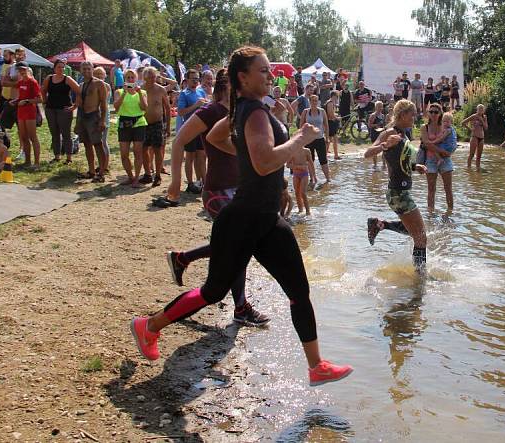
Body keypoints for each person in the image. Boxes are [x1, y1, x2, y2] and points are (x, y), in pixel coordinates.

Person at [130, 46, 353, 387]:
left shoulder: (245, 111)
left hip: (266, 219)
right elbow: (264, 162)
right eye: (262, 71)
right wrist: (299, 138)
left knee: (299, 290)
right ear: (242, 78)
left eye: (269, 70)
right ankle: (149, 326)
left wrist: (253, 152)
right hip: (243, 218)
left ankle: (316, 365)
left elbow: (218, 138)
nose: (269, 75)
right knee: (213, 291)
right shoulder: (253, 113)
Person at [156, 68, 271, 326]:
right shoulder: (210, 112)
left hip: (240, 189)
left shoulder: (245, 111)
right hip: (217, 191)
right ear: (228, 85)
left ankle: (182, 258)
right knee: (240, 245)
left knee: (237, 244)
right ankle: (241, 307)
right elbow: (179, 140)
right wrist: (175, 181)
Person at [364, 99, 428, 272]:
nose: (414, 117)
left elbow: (400, 161)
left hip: (401, 192)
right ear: (403, 114)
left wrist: (415, 167)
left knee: (414, 233)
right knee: (421, 238)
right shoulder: (389, 132)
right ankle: (420, 277)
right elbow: (367, 153)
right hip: (397, 193)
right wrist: (385, 145)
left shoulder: (404, 134)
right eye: (412, 114)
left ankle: (379, 224)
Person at [177, 69, 210, 193]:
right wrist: (196, 105)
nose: (195, 81)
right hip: (189, 129)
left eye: (197, 78)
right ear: (187, 80)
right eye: (193, 79)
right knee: (190, 156)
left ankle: (204, 182)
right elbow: (180, 112)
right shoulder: (184, 94)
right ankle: (190, 183)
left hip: (201, 129)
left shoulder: (201, 91)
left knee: (201, 156)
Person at [74, 61, 108, 182]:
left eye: (89, 69)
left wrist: (102, 121)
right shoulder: (81, 85)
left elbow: (104, 104)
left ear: (92, 69)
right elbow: (79, 104)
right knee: (87, 144)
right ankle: (91, 171)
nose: (87, 71)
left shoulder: (99, 84)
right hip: (83, 116)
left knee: (98, 144)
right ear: (81, 70)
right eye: (84, 69)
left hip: (94, 116)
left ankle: (102, 173)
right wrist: (77, 121)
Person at [114, 69, 148, 187]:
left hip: (139, 122)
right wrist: (124, 93)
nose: (130, 80)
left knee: (138, 152)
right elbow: (116, 108)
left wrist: (138, 93)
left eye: (132, 77)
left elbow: (144, 108)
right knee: (124, 154)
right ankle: (130, 176)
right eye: (128, 78)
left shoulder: (142, 92)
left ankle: (136, 178)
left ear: (136, 79)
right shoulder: (119, 91)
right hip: (124, 123)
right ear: (124, 79)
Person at [42, 59, 80, 163]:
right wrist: (44, 102)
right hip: (50, 109)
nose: (61, 69)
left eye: (63, 67)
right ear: (54, 68)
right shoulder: (49, 78)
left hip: (64, 110)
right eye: (59, 67)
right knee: (54, 133)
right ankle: (57, 156)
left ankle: (69, 158)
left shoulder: (67, 79)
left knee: (66, 134)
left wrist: (75, 105)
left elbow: (79, 91)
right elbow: (43, 90)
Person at [420, 103, 454, 211]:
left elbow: (452, 141)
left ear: (440, 113)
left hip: (445, 159)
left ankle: (450, 212)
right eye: (431, 112)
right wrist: (442, 151)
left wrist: (448, 152)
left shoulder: (445, 126)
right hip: (430, 160)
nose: (433, 114)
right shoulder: (424, 127)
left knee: (448, 188)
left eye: (436, 112)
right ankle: (430, 213)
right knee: (431, 189)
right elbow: (426, 144)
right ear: (428, 113)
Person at [142, 67, 171, 187]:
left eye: (154, 77)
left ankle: (158, 175)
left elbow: (168, 108)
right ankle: (147, 173)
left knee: (158, 149)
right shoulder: (141, 89)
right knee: (143, 148)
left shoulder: (161, 90)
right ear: (145, 78)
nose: (153, 79)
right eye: (150, 77)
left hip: (157, 123)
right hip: (143, 123)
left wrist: (168, 126)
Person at [12, 62, 42, 167]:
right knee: (24, 137)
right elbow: (21, 97)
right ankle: (27, 161)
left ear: (27, 70)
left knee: (33, 137)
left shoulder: (33, 82)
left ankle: (37, 162)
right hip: (21, 112)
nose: (22, 72)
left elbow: (40, 99)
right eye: (19, 70)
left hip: (30, 112)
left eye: (23, 69)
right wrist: (15, 101)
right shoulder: (20, 82)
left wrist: (26, 101)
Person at [299, 95, 330, 184]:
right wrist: (301, 140)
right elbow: (301, 126)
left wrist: (327, 138)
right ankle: (312, 178)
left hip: (320, 139)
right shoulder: (305, 112)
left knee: (323, 160)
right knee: (310, 160)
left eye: (316, 101)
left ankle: (328, 179)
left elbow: (326, 125)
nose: (314, 102)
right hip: (308, 140)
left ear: (318, 102)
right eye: (312, 101)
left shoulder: (322, 111)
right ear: (309, 102)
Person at [92, 67, 112, 175]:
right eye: (97, 74)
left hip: (104, 117)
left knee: (103, 142)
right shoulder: (92, 85)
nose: (99, 76)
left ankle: (105, 166)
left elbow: (102, 100)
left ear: (105, 76)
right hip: (94, 117)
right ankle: (100, 165)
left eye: (101, 74)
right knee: (97, 142)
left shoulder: (107, 86)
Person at [287, 144, 316, 216]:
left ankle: (308, 211)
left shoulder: (307, 151)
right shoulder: (292, 151)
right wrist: (298, 166)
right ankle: (300, 210)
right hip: (296, 174)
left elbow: (311, 163)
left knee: (303, 192)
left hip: (304, 174)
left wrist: (314, 176)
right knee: (297, 193)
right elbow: (287, 165)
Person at [461, 104, 488, 169]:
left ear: (483, 110)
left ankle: (478, 169)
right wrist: (470, 129)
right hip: (474, 136)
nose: (480, 110)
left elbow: (486, 128)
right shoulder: (474, 116)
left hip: (481, 137)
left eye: (482, 109)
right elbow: (463, 122)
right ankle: (469, 168)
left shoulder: (484, 117)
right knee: (472, 154)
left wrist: (482, 120)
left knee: (479, 156)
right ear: (477, 109)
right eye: (479, 109)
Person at [367, 100, 386, 168]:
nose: (380, 108)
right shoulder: (373, 115)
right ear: (376, 107)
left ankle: (384, 164)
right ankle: (375, 165)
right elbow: (369, 125)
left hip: (381, 134)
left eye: (381, 107)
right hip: (374, 134)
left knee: (384, 149)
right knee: (375, 150)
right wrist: (375, 125)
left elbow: (384, 125)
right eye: (379, 107)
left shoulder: (383, 115)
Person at [324, 90, 340, 159]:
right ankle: (335, 155)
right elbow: (330, 115)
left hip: (330, 123)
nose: (337, 98)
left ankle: (326, 155)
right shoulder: (330, 103)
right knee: (332, 140)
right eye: (337, 97)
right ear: (333, 96)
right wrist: (337, 118)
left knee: (330, 140)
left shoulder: (329, 102)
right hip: (330, 123)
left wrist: (335, 115)